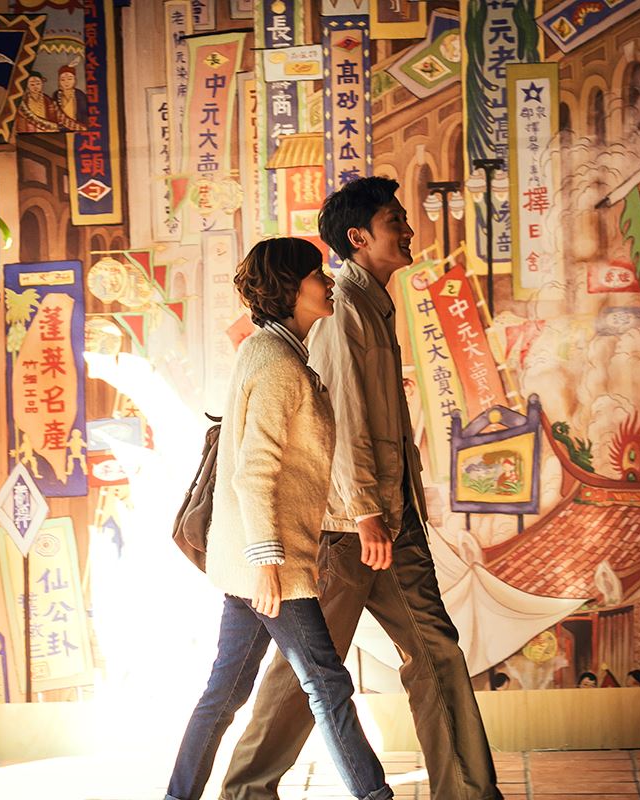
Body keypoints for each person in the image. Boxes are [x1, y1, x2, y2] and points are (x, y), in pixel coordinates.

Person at [221, 178, 502, 800]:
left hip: (389, 519)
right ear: (358, 236)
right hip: (348, 529)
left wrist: (386, 511)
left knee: (435, 651)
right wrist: (368, 511)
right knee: (307, 673)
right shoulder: (343, 306)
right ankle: (245, 790)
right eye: (394, 220)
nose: (408, 228)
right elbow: (341, 420)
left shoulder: (372, 302)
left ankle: (468, 792)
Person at [165, 237, 392, 800]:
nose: (328, 283)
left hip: (250, 558)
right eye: (317, 275)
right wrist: (267, 564)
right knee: (327, 686)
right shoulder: (278, 364)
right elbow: (254, 471)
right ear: (291, 288)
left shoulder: (270, 351)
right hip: (271, 564)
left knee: (225, 693)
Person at [53, 64, 88, 129]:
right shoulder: (56, 95)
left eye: (69, 79)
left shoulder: (80, 95)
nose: (66, 82)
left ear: (75, 80)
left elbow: (84, 113)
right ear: (59, 81)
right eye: (63, 80)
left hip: (77, 127)